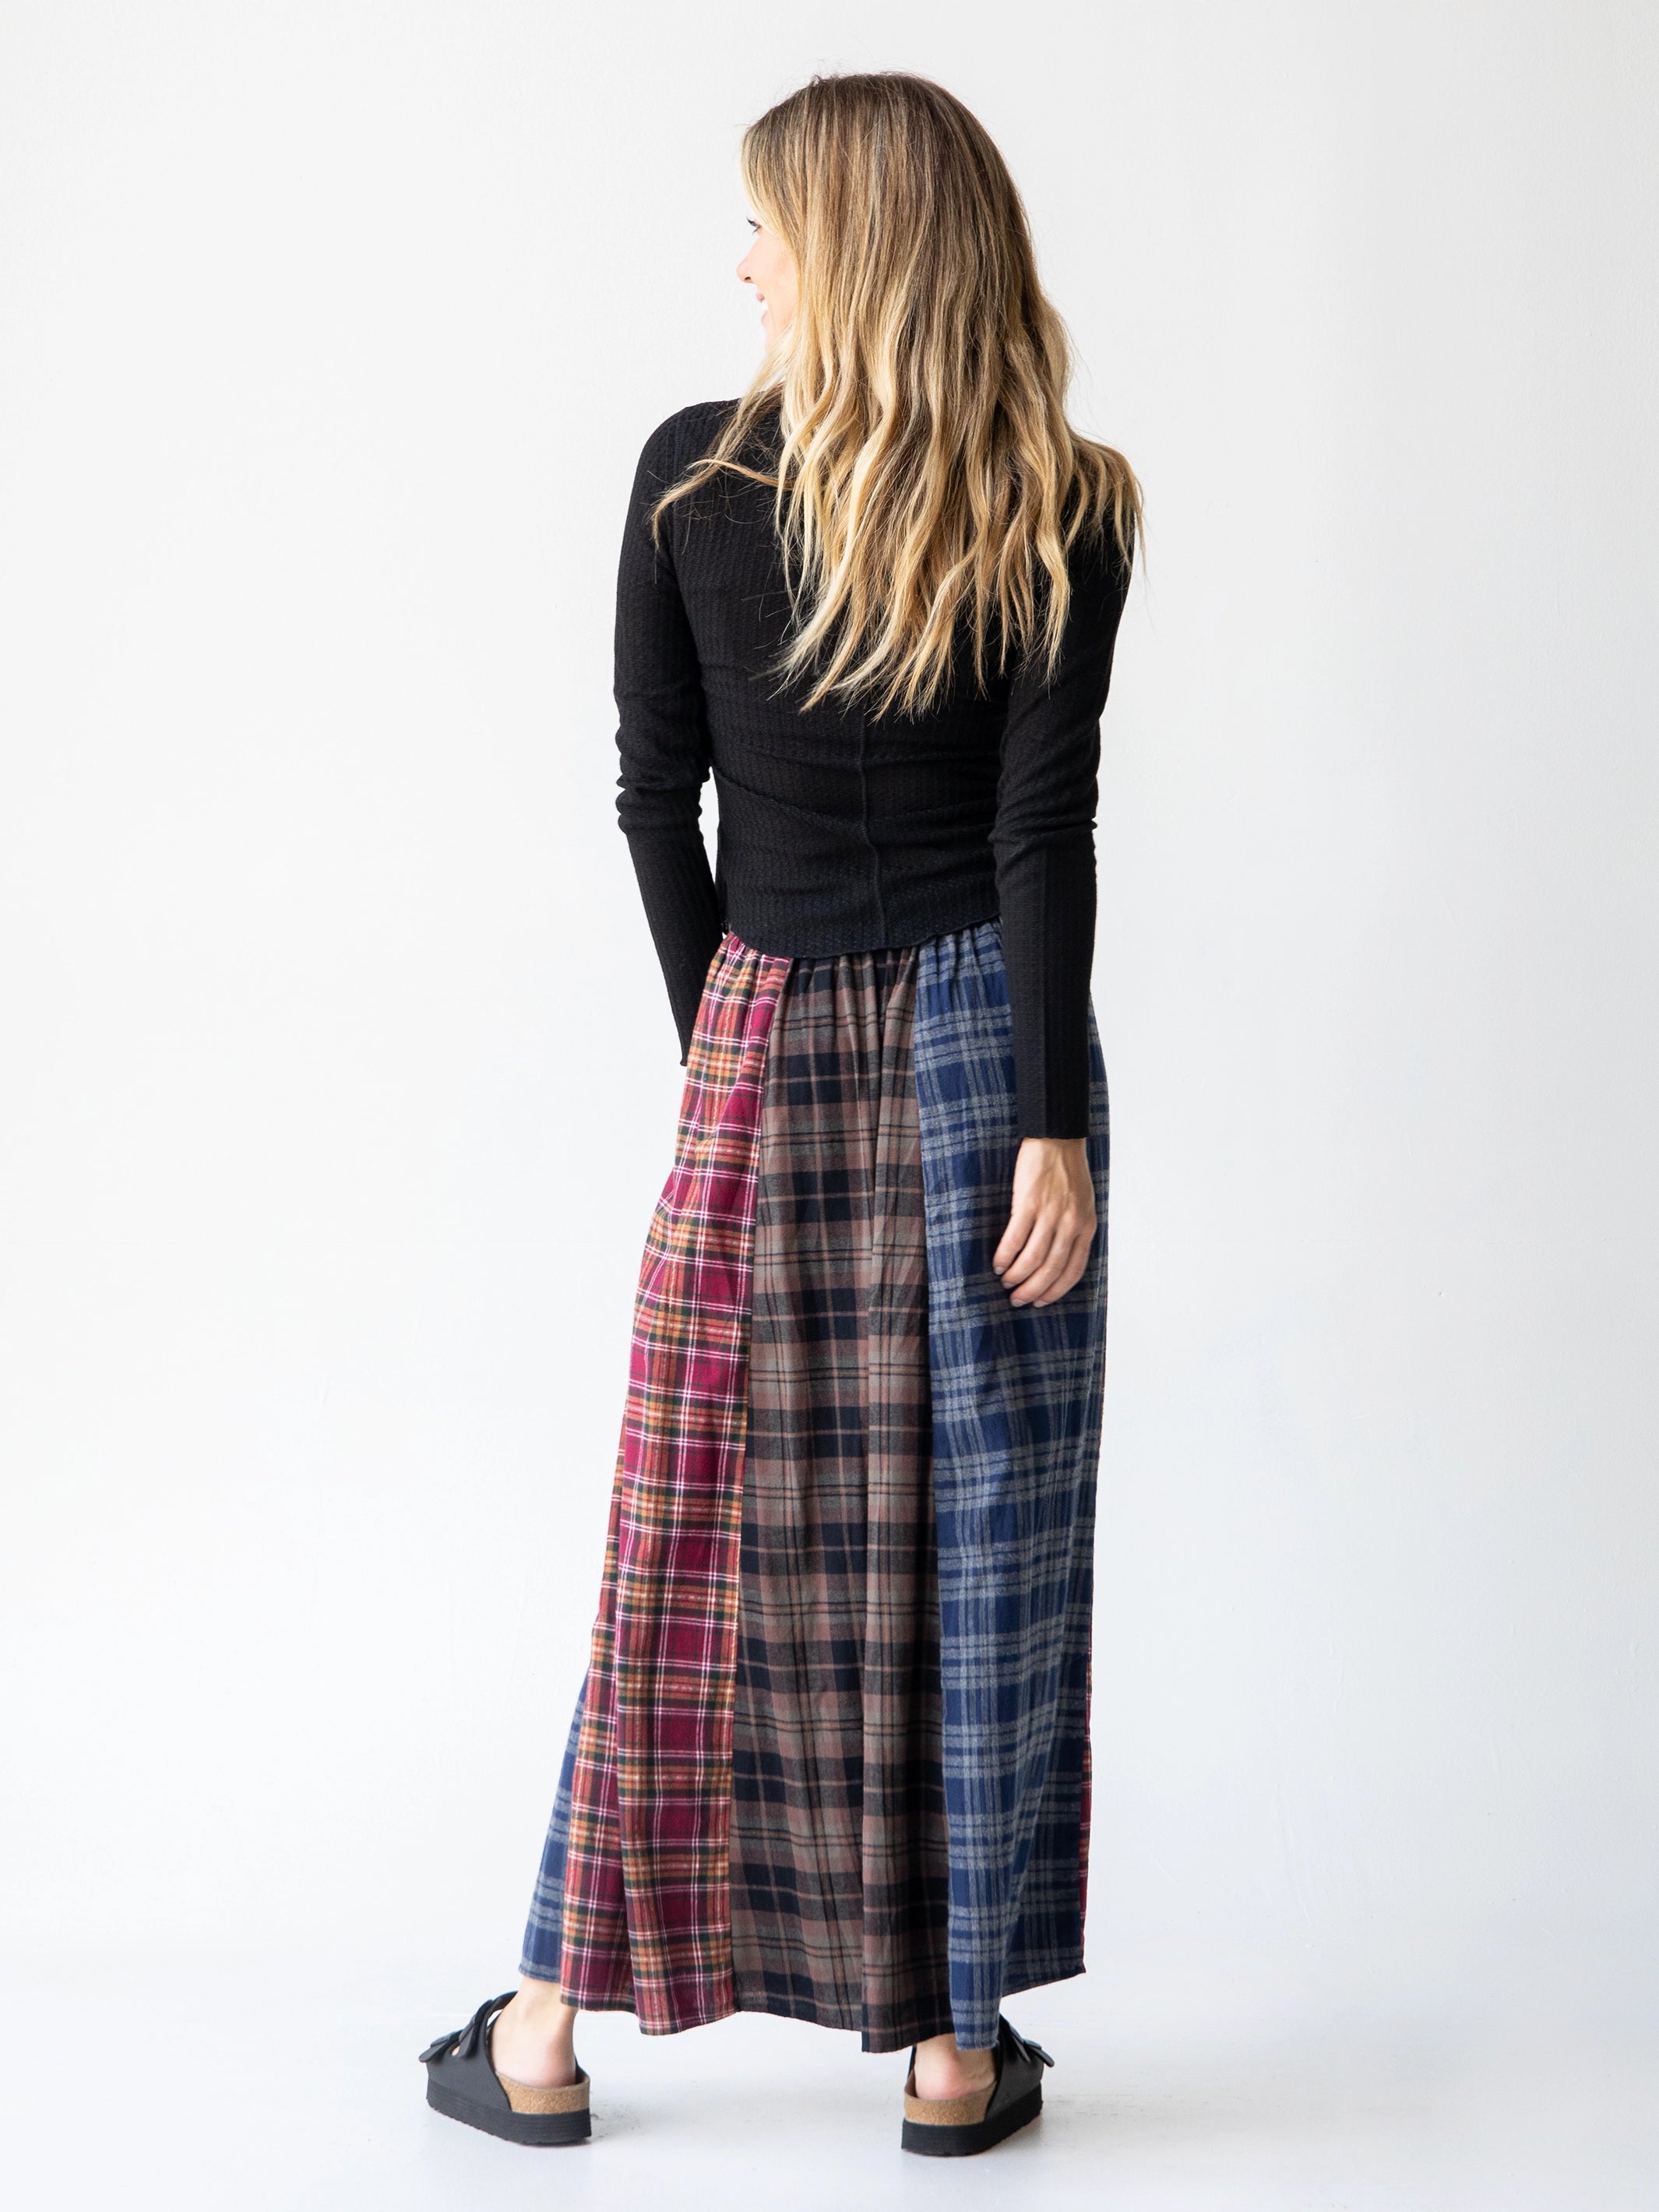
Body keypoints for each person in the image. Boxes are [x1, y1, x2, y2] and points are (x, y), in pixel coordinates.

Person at [420, 68, 1140, 2160]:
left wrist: (719, 1046)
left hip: (767, 1024)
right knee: (977, 1536)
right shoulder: (1066, 494)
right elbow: (1041, 832)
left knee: (691, 1543)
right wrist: (1045, 1120)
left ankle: (542, 2035)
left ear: (848, 245)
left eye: (764, 223)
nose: (741, 260)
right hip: (989, 1052)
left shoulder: (689, 476)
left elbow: (658, 802)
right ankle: (948, 2053)